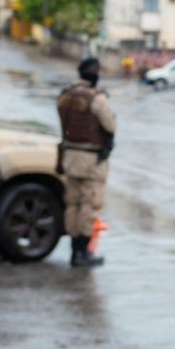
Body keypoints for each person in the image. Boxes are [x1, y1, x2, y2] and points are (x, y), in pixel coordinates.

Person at [56, 57, 117, 267]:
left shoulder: (65, 95)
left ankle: (74, 250)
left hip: (69, 156)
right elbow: (110, 126)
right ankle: (82, 252)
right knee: (89, 205)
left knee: (72, 203)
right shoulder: (96, 99)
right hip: (91, 160)